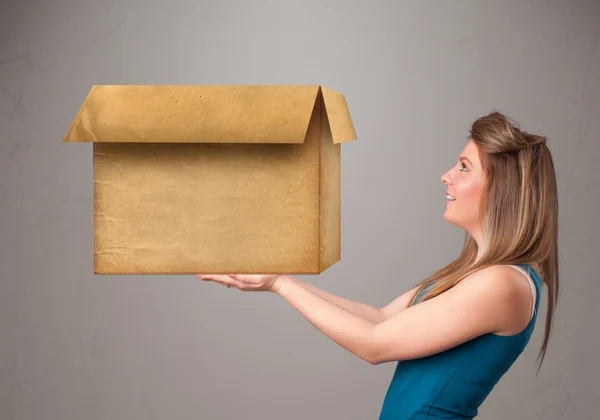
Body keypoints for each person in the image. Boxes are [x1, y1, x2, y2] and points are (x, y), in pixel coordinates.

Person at [197, 110, 559, 420]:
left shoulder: (501, 283)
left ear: (502, 189)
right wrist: (277, 279)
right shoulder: (477, 274)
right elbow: (380, 318)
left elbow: (374, 345)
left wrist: (280, 285)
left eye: (464, 168)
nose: (446, 175)